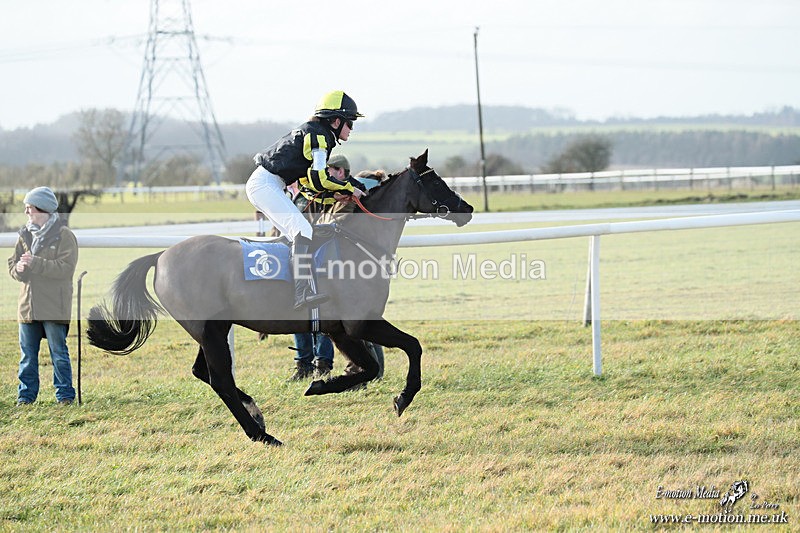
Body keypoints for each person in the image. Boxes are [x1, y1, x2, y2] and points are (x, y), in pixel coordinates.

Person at [246, 90, 366, 310]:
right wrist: (350, 188)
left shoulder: (317, 133)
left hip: (268, 185)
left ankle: (282, 290)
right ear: (336, 121)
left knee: (296, 236)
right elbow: (320, 178)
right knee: (302, 230)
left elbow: (309, 182)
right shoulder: (319, 137)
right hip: (265, 185)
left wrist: (333, 196)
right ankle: (301, 293)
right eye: (350, 123)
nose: (351, 128)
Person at [8, 187, 78, 406]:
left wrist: (35, 263)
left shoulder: (64, 235)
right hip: (27, 306)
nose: (26, 212)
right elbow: (13, 264)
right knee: (27, 356)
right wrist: (19, 269)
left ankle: (65, 396)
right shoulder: (24, 235)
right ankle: (25, 397)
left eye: (30, 208)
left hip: (54, 305)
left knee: (58, 354)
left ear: (43, 209)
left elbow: (66, 268)